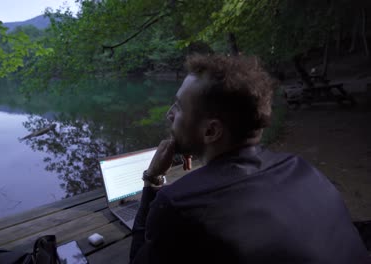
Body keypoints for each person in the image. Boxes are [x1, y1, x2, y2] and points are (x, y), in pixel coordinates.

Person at [129, 54, 370, 264]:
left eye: (179, 107)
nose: (169, 114)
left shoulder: (178, 205)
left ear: (211, 131)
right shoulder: (302, 168)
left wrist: (152, 180)